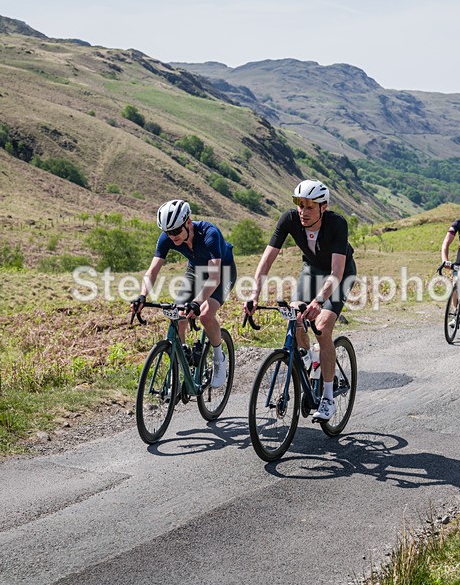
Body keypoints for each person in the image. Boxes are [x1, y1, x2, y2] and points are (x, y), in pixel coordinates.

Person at [244, 180, 357, 422]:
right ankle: (308, 357)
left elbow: (336, 273)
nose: (303, 212)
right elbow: (266, 261)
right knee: (294, 316)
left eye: (309, 207)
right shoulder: (289, 220)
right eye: (299, 205)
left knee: (323, 328)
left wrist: (318, 301)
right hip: (312, 269)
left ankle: (327, 398)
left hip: (340, 274)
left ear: (323, 207)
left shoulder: (337, 223)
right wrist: (254, 294)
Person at [131, 199, 236, 388]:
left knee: (205, 315)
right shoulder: (167, 238)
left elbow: (214, 278)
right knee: (178, 316)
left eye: (176, 231)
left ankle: (219, 359)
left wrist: (196, 302)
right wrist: (142, 295)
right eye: (168, 232)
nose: (172, 236)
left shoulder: (209, 233)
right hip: (195, 270)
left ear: (188, 222)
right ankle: (181, 366)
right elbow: (152, 271)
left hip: (222, 272)